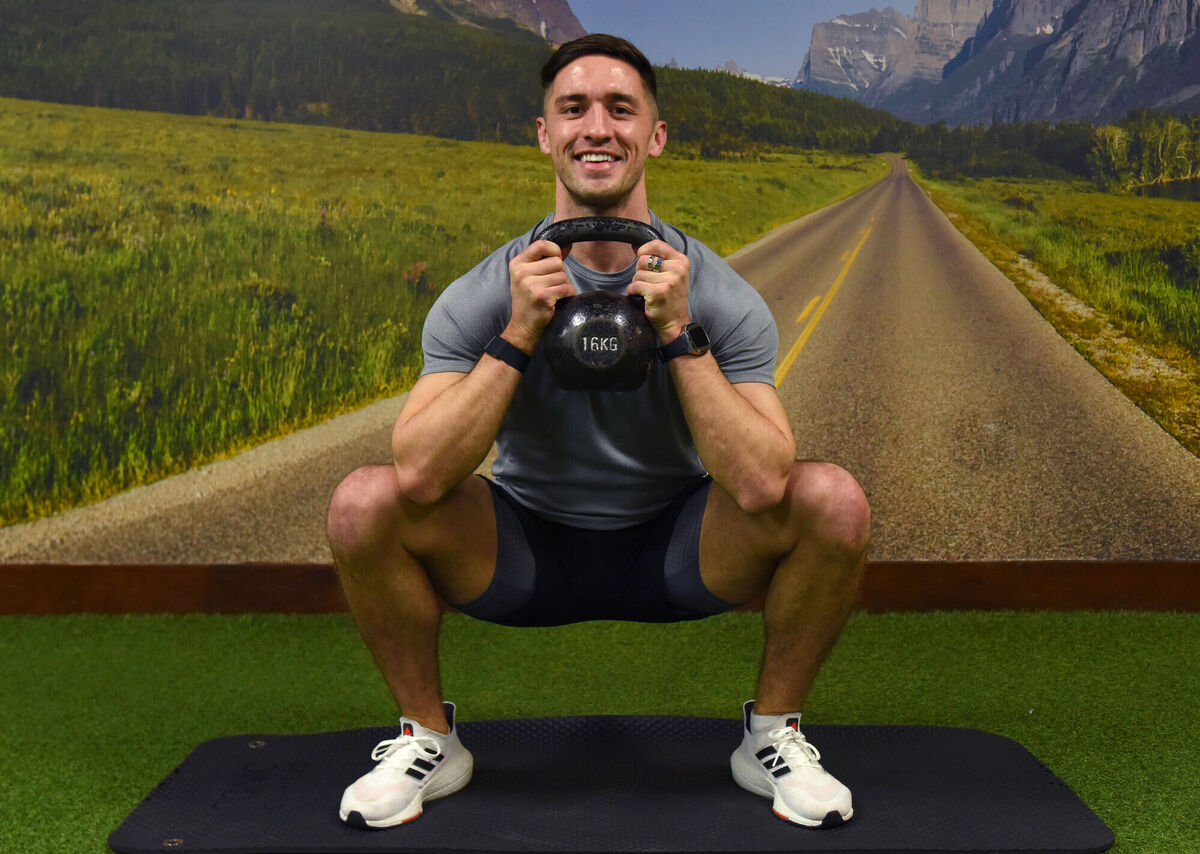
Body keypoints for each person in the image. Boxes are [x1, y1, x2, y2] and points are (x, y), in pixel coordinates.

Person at [326, 33, 871, 830]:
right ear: (544, 134)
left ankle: (770, 737)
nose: (596, 127)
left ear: (654, 136)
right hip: (524, 549)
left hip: (676, 549)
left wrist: (681, 331)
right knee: (360, 503)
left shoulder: (719, 294)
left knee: (835, 500)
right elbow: (417, 475)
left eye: (622, 109)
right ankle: (429, 740)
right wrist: (516, 334)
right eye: (572, 109)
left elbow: (760, 482)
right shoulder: (483, 293)